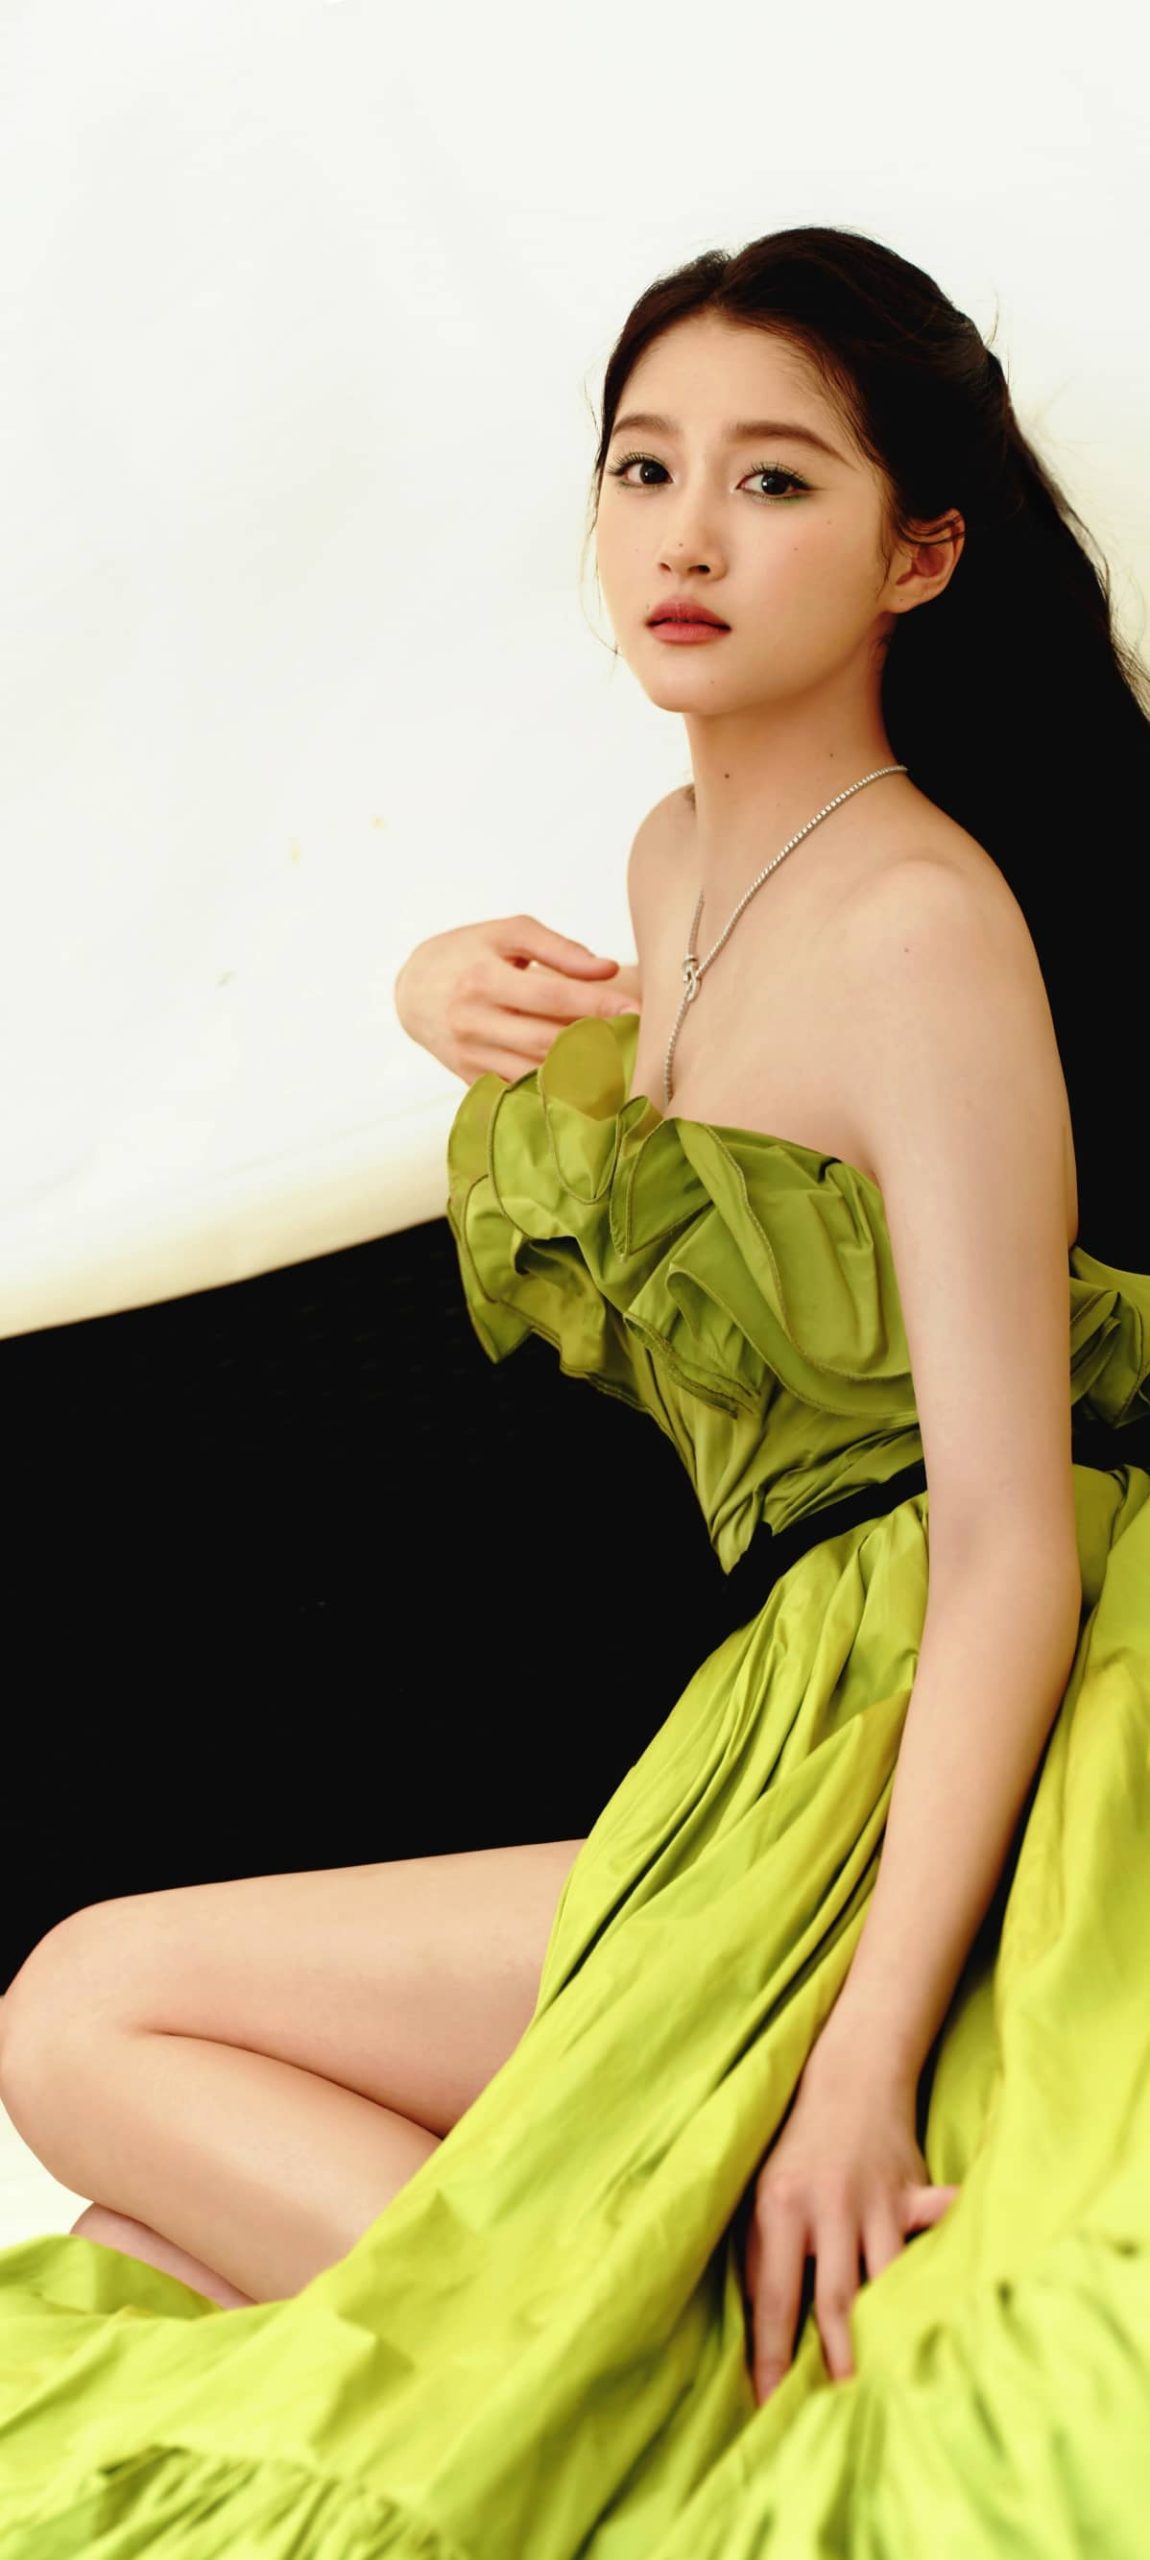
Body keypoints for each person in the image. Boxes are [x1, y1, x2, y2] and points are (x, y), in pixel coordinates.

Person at [0, 221, 1147, 2557]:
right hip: (766, 1721)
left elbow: (1008, 1534)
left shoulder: (925, 926)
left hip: (946, 1713)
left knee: (87, 2012)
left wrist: (859, 2055)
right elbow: (731, 1155)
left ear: (919, 552)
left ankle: (652, 2395)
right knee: (142, 2200)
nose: (685, 538)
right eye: (644, 469)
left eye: (773, 480)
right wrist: (434, 987)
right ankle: (594, 2337)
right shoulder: (679, 858)